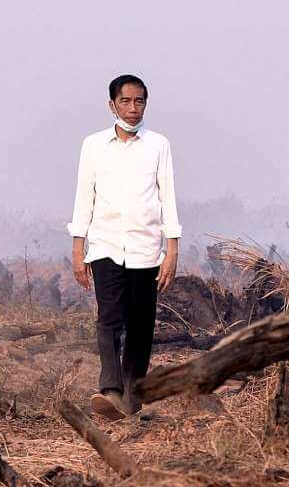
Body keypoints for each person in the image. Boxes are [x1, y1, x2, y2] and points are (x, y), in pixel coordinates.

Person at [67, 74, 181, 419]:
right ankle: (111, 389)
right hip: (105, 245)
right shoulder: (93, 145)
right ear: (112, 105)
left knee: (141, 324)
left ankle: (132, 398)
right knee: (109, 318)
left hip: (146, 248)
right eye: (126, 101)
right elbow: (84, 197)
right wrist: (78, 248)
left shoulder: (158, 145)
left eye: (139, 101)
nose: (133, 109)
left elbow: (168, 198)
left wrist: (172, 250)